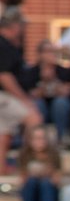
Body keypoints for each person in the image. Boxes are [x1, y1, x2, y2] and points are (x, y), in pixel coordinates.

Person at [0, 9, 42, 167]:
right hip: (4, 95)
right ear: (14, 25)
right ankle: (30, 162)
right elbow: (4, 76)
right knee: (33, 119)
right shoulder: (2, 44)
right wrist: (24, 99)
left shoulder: (11, 45)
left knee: (4, 134)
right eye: (22, 25)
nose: (23, 29)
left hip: (6, 96)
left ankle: (2, 168)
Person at [21, 40, 70, 144]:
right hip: (41, 105)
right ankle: (38, 139)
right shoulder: (31, 72)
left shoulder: (63, 71)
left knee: (61, 103)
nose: (51, 54)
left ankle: (61, 139)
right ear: (40, 54)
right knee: (37, 104)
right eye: (48, 51)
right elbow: (32, 94)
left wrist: (53, 79)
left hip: (58, 106)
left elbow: (66, 92)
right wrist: (44, 82)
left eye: (53, 51)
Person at [16, 124, 62, 201]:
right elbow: (22, 179)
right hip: (31, 191)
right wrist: (33, 174)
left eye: (42, 138)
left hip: (49, 192)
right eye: (36, 138)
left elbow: (57, 179)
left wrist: (47, 173)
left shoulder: (53, 154)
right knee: (31, 182)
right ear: (30, 140)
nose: (39, 141)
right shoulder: (24, 154)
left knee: (46, 183)